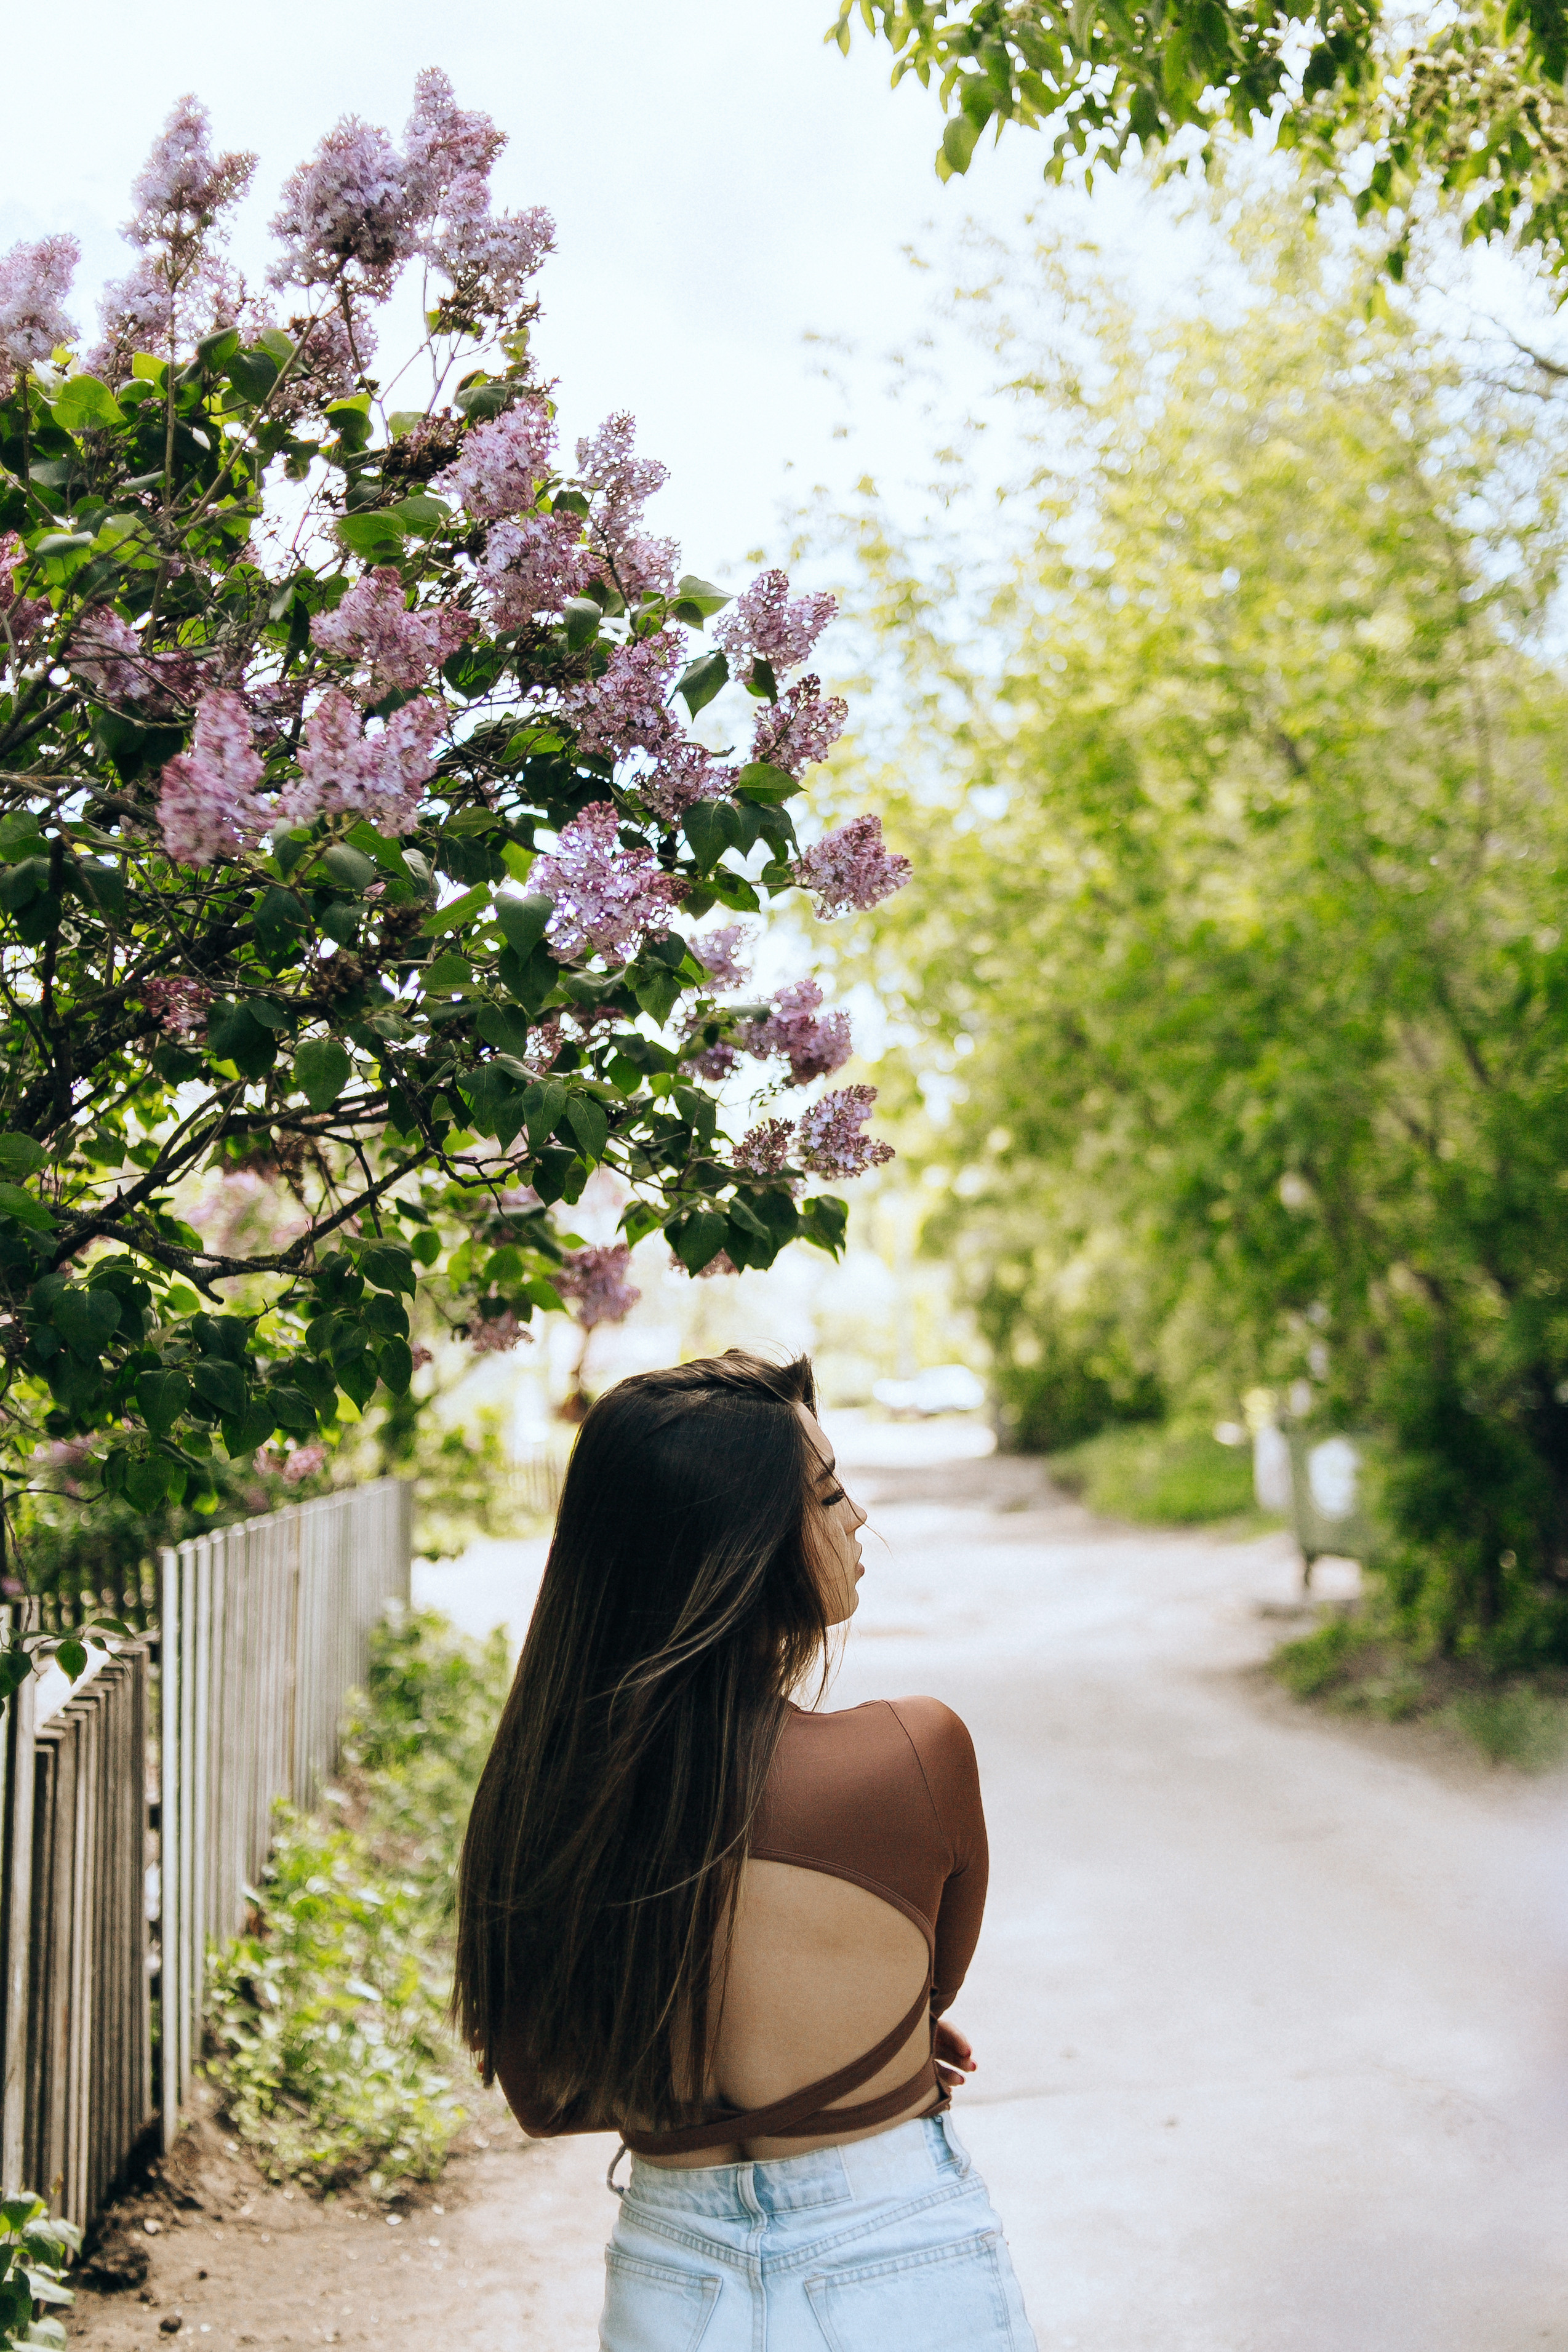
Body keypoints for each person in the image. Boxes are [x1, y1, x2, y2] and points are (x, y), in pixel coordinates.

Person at [453, 1349, 1036, 2350]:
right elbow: (922, 1995)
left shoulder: (543, 1802)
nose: (856, 1518)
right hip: (896, 2255)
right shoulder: (915, 1751)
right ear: (741, 1544)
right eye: (827, 1493)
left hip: (674, 2283)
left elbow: (545, 2099)